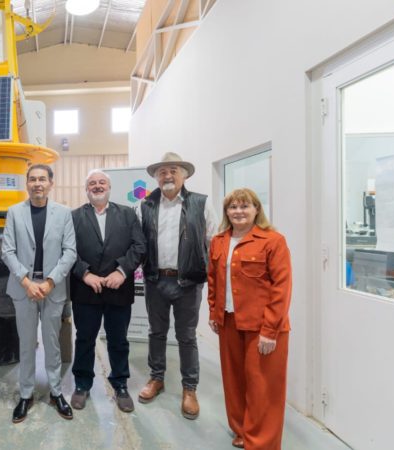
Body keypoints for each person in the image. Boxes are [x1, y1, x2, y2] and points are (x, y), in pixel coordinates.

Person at [207, 188, 292, 449]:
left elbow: (282, 287)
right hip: (229, 321)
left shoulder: (272, 240)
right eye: (233, 207)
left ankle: (262, 442)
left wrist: (270, 330)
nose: (239, 211)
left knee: (263, 387)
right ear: (226, 212)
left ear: (256, 210)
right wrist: (214, 312)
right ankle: (242, 431)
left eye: (245, 206)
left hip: (262, 326)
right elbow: (213, 279)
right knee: (234, 382)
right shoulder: (219, 241)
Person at [137, 152, 217, 419]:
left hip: (188, 282)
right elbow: (138, 243)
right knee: (156, 332)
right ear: (156, 178)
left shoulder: (201, 204)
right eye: (162, 172)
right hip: (156, 280)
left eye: (173, 170)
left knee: (187, 336)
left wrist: (211, 277)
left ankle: (189, 389)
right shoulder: (145, 205)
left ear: (184, 175)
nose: (167, 176)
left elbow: (213, 243)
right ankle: (156, 378)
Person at [1, 164, 77, 424]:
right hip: (24, 289)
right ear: (27, 183)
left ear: (51, 183)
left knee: (52, 342)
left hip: (52, 289)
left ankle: (56, 391)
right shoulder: (14, 212)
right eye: (32, 179)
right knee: (26, 343)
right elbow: (7, 251)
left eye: (42, 179)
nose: (37, 184)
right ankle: (25, 394)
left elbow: (70, 252)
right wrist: (26, 281)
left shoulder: (64, 213)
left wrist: (50, 282)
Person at [69, 169, 146, 413]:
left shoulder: (127, 214)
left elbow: (139, 246)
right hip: (86, 290)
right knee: (84, 339)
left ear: (109, 187)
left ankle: (120, 385)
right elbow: (67, 250)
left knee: (118, 341)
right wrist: (85, 273)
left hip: (118, 289)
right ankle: (82, 385)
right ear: (86, 189)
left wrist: (122, 271)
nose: (97, 186)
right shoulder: (73, 217)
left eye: (102, 182)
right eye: (92, 183)